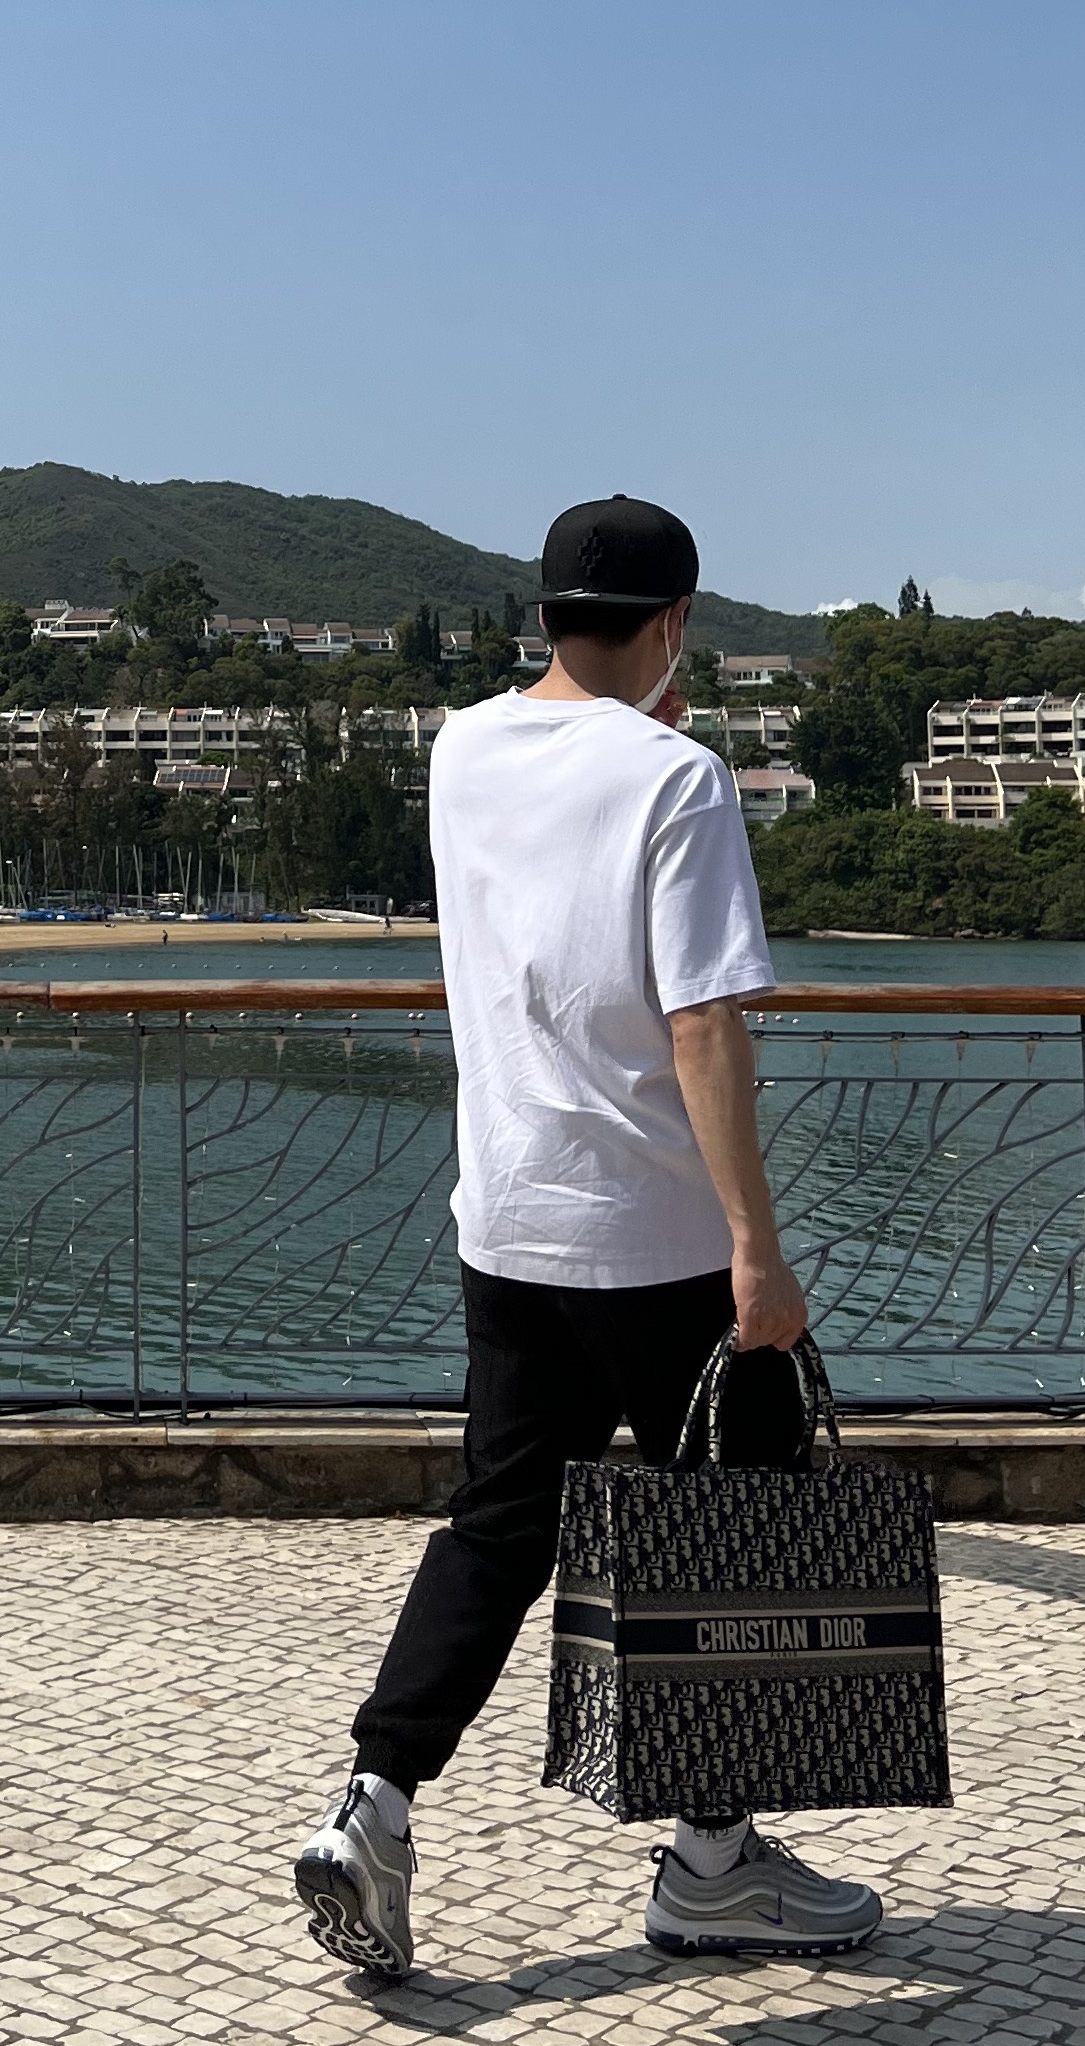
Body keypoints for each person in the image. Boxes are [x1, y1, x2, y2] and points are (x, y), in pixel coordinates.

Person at [294, 494, 882, 1978]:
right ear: (675, 622)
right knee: (735, 1535)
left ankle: (374, 1804)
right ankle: (712, 1861)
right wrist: (761, 1243)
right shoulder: (678, 777)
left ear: (549, 614)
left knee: (498, 1526)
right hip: (660, 1238)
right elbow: (702, 1025)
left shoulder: (460, 746)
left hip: (507, 1220)